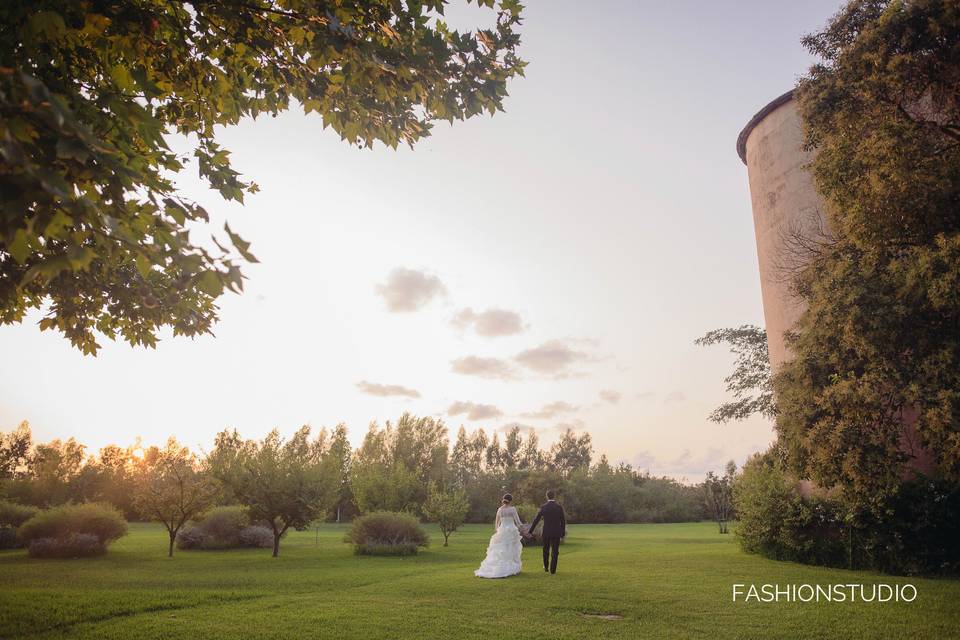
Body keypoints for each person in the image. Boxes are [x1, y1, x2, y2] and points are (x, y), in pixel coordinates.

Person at [474, 494, 526, 578]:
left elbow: (497, 523)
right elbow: (518, 521)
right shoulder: (512, 509)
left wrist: (498, 531)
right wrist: (524, 528)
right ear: (511, 500)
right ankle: (509, 568)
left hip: (502, 530)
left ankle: (496, 568)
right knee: (510, 550)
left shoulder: (500, 510)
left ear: (504, 500)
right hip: (511, 531)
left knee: (500, 550)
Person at [527, 490, 566, 574]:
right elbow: (563, 521)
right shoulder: (559, 507)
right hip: (556, 532)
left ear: (547, 496)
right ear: (554, 496)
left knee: (545, 550)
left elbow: (536, 520)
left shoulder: (543, 507)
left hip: (546, 531)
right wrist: (562, 533)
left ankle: (546, 567)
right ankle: (553, 570)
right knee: (555, 551)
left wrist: (530, 531)